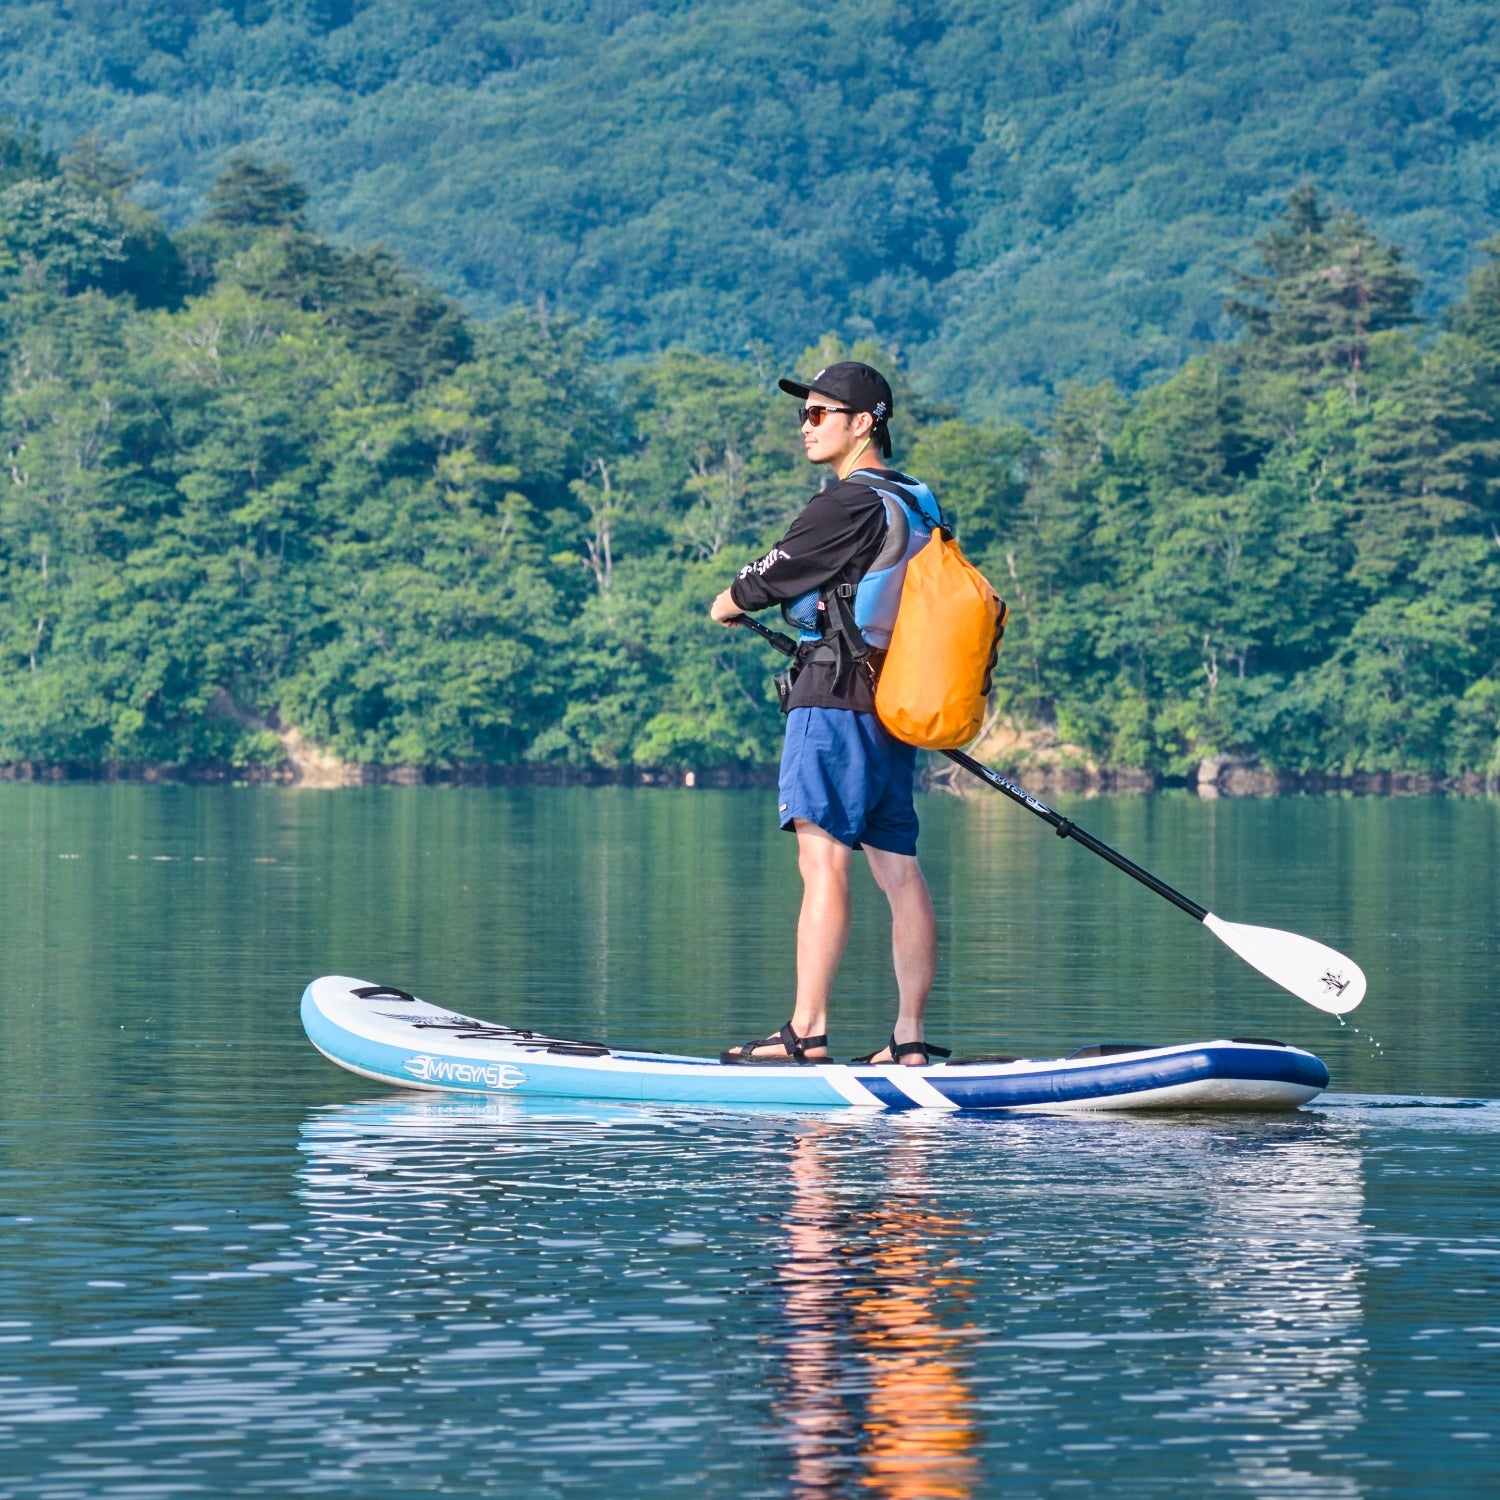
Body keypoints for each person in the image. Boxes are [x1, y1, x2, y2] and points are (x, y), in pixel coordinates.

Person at [709, 361, 948, 1068]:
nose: (806, 426)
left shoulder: (845, 503)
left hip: (833, 700)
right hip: (892, 709)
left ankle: (805, 1033)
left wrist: (727, 601)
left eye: (820, 414)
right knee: (900, 870)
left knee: (823, 863)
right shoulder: (918, 501)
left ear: (862, 423)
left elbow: (771, 573)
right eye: (804, 414)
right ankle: (907, 1039)